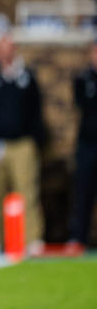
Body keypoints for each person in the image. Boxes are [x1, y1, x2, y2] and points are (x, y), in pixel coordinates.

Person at [0, 34, 45, 255]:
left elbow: (36, 110)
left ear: (15, 49)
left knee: (26, 192)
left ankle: (32, 238)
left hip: (21, 143)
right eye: (0, 48)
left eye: (8, 48)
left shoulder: (26, 78)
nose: (4, 52)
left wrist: (34, 139)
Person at [66, 40, 97, 254]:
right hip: (88, 143)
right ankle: (78, 237)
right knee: (83, 192)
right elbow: (82, 104)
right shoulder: (83, 79)